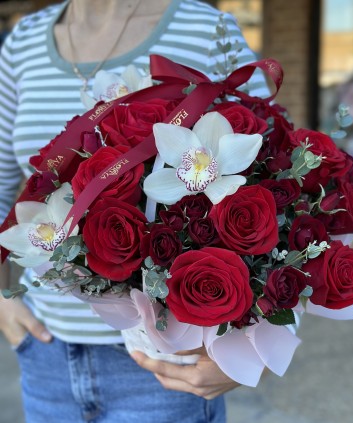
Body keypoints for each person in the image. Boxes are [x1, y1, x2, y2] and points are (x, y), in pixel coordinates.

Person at [0, 1, 270, 422]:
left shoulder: (205, 28)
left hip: (166, 368)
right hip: (45, 354)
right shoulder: (23, 42)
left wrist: (255, 348)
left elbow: (275, 177)